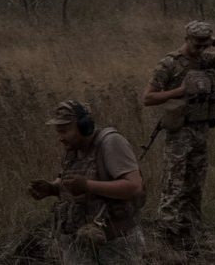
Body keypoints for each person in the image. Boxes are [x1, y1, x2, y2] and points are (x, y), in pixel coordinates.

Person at [140, 21, 215, 250]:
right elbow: (148, 98)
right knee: (174, 184)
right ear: (186, 39)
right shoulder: (170, 63)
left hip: (201, 130)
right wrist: (178, 91)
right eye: (196, 44)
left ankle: (192, 233)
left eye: (204, 44)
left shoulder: (206, 59)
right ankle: (168, 235)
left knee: (195, 185)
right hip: (180, 131)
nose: (200, 49)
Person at [29, 100, 146, 264]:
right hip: (78, 243)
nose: (60, 138)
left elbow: (133, 186)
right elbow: (66, 181)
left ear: (85, 126)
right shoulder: (72, 149)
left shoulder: (111, 143)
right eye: (58, 132)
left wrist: (87, 185)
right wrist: (52, 189)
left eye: (64, 131)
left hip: (114, 242)